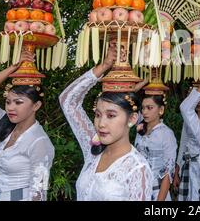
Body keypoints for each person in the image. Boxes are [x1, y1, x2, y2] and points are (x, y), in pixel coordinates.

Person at [59, 41, 153, 201]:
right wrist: (104, 66)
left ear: (132, 119)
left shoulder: (137, 169)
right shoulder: (93, 149)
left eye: (111, 115)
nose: (101, 124)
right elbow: (67, 101)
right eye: (97, 114)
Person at [0, 51, 54, 201]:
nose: (11, 108)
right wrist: (13, 67)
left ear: (36, 105)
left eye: (18, 102)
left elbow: (38, 194)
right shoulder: (6, 124)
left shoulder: (39, 142)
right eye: (8, 102)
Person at [135, 93, 177, 201]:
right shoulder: (140, 130)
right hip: (137, 188)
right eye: (143, 108)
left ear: (161, 109)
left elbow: (168, 172)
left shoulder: (167, 134)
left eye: (149, 108)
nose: (144, 112)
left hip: (157, 191)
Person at [174, 88, 200, 201]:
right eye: (196, 99)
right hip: (188, 165)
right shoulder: (188, 120)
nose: (199, 102)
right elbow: (184, 143)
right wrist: (177, 170)